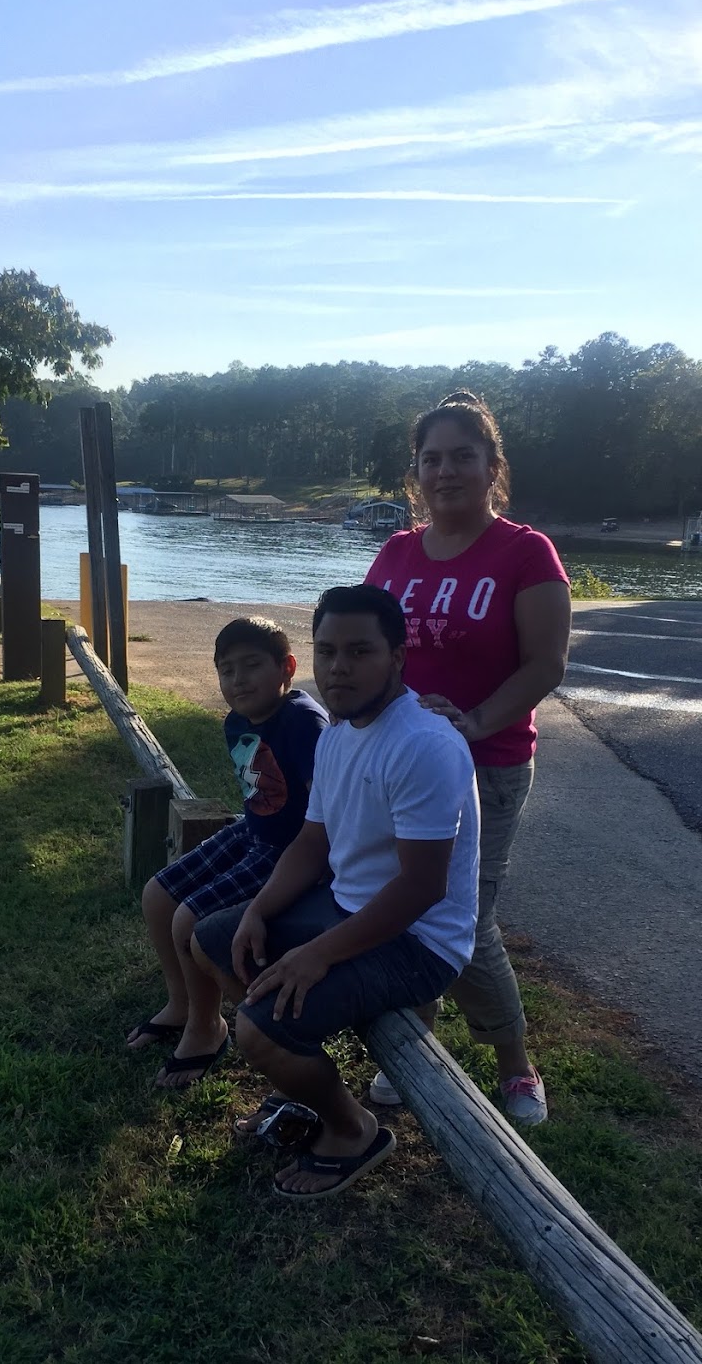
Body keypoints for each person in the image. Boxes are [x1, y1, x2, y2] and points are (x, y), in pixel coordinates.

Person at [191, 584, 480, 1200]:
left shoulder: (425, 746)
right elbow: (311, 844)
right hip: (347, 907)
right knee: (215, 939)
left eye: (359, 651)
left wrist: (319, 953)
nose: (339, 668)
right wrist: (260, 911)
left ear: (397, 657)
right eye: (326, 651)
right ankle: (301, 1067)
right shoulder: (340, 734)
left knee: (257, 1032)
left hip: (419, 941)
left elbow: (423, 888)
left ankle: (353, 1131)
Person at [364, 390, 571, 1125]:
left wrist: (473, 723)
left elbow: (545, 665)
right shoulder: (394, 553)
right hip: (399, 763)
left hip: (489, 764)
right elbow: (367, 650)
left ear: (491, 468)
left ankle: (515, 1065)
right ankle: (418, 1038)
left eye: (462, 457)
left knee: (464, 919)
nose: (445, 471)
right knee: (406, 906)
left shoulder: (524, 553)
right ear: (415, 472)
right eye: (432, 459)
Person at [126, 616, 327, 1089]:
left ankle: (206, 1027)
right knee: (158, 895)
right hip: (252, 832)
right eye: (226, 670)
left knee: (189, 920)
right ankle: (180, 1005)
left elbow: (325, 815)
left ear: (287, 668)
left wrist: (314, 873)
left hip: (291, 850)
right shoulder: (236, 721)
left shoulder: (303, 723)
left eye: (252, 666)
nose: (238, 680)